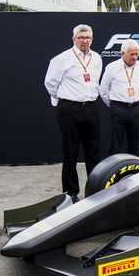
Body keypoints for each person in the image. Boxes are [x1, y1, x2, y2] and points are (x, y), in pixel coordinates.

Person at [44, 24, 103, 202]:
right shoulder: (62, 59)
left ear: (92, 39)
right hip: (70, 109)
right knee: (70, 152)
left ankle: (96, 190)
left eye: (87, 38)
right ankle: (71, 192)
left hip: (92, 107)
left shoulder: (97, 58)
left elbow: (95, 81)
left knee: (94, 152)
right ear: (74, 39)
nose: (84, 41)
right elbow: (50, 84)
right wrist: (64, 101)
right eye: (81, 37)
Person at [99, 39, 139, 157]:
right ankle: (113, 174)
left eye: (137, 54)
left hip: (136, 109)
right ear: (123, 54)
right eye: (132, 54)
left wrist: (135, 99)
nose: (135, 57)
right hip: (118, 109)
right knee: (114, 146)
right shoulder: (112, 67)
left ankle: (135, 173)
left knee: (135, 146)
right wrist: (115, 105)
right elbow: (103, 90)